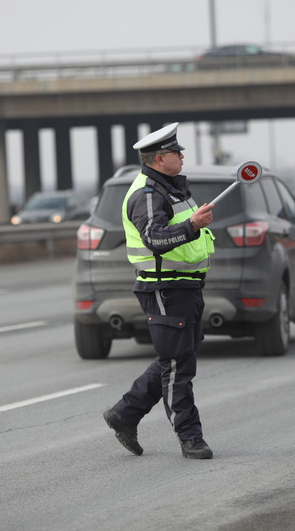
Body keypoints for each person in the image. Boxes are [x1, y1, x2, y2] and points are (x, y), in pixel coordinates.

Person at [103, 122, 216, 459]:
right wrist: (192, 226)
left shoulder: (171, 188)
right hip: (164, 289)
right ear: (159, 158)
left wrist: (193, 225)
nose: (182, 156)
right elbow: (155, 239)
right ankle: (190, 438)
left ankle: (126, 413)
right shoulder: (149, 194)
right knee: (179, 365)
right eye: (176, 152)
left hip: (185, 287)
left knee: (177, 357)